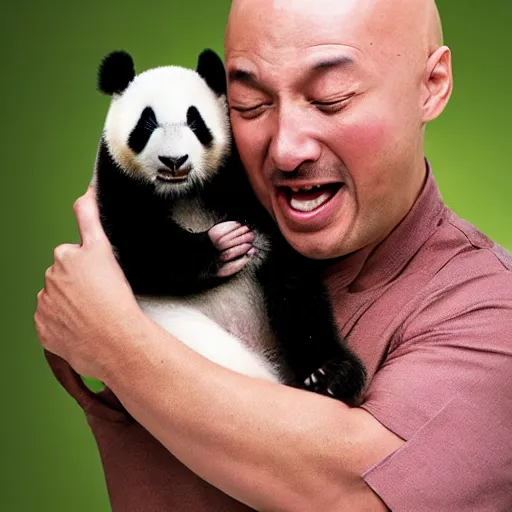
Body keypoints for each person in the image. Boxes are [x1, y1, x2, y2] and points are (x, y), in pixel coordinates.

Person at [34, 0, 512, 510]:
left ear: (432, 84)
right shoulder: (190, 211)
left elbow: (356, 492)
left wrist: (115, 341)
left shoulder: (489, 310)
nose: (286, 150)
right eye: (249, 105)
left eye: (332, 98)